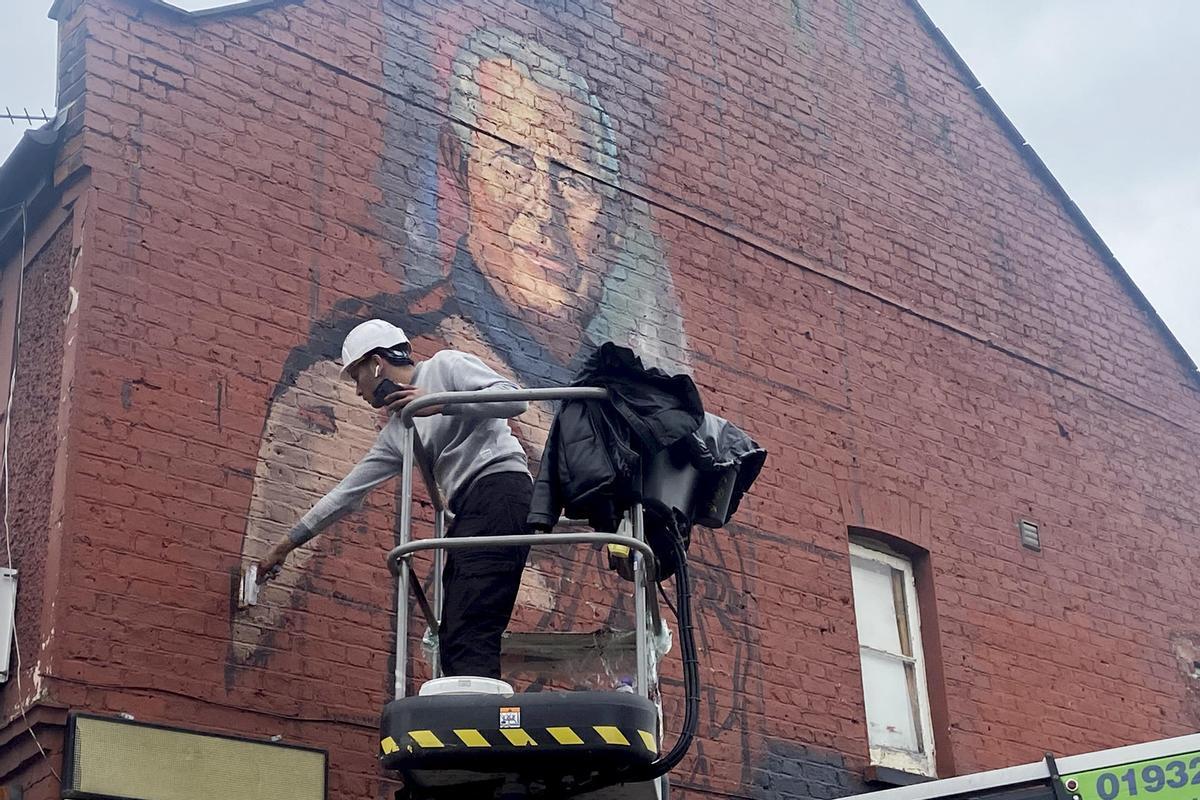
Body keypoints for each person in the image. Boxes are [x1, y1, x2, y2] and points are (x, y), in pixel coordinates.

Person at [255, 318, 534, 680]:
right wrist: (285, 546)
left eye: (356, 377)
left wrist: (444, 403)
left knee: (470, 621)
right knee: (455, 626)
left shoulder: (445, 366)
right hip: (469, 509)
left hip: (501, 489)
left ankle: (476, 716)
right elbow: (347, 493)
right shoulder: (400, 427)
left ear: (376, 363)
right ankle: (470, 705)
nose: (357, 391)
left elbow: (517, 401)